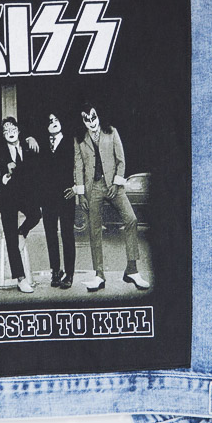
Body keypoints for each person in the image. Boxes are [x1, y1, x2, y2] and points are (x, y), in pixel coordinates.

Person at [73, 103, 150, 292]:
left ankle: (132, 270)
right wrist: (81, 194)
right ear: (82, 121)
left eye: (93, 117)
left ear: (98, 116)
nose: (91, 122)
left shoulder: (112, 132)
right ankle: (99, 275)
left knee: (131, 219)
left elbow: (121, 160)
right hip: (92, 188)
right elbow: (79, 167)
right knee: (94, 230)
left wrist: (116, 183)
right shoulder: (79, 139)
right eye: (87, 119)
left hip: (113, 185)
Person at [0, 116, 42, 293]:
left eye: (13, 129)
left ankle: (22, 232)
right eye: (6, 130)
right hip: (7, 198)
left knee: (36, 215)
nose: (10, 132)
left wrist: (32, 137)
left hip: (24, 195)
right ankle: (21, 278)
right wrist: (4, 171)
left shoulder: (27, 146)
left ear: (18, 131)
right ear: (3, 135)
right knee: (10, 237)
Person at [38, 113, 76, 289]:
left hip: (67, 195)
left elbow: (79, 165)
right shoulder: (42, 144)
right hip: (47, 197)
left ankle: (69, 274)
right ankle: (55, 271)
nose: (53, 123)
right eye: (50, 121)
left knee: (67, 234)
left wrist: (76, 187)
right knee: (50, 234)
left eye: (56, 120)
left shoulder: (71, 142)